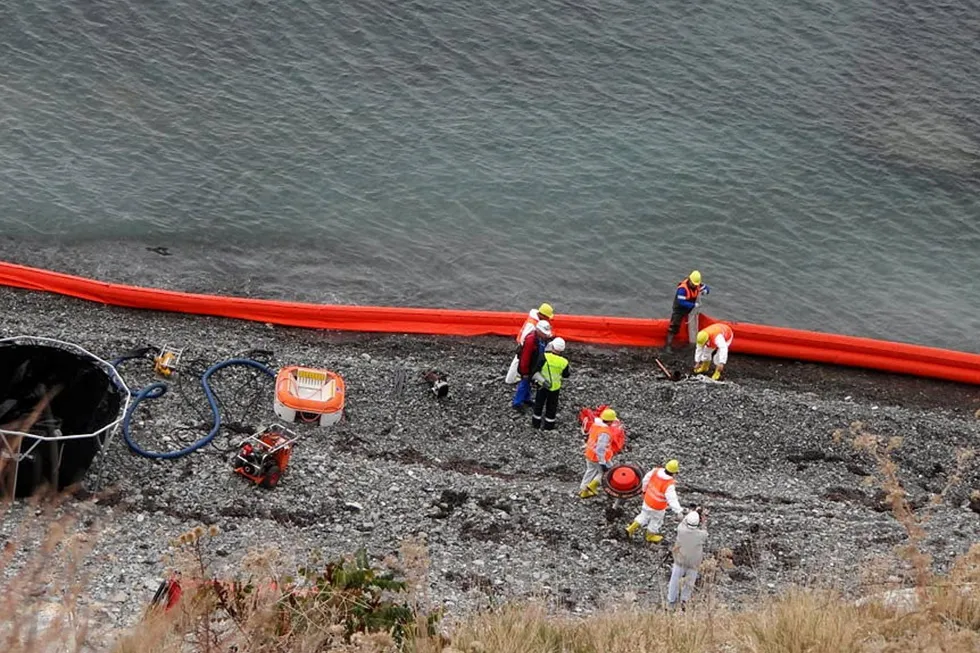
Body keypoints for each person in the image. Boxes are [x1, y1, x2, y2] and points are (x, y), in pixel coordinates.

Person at [625, 459, 684, 542]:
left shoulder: (655, 471)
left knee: (643, 515)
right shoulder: (669, 484)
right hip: (657, 507)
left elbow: (645, 480)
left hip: (648, 500)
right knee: (656, 521)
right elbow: (672, 499)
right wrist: (678, 511)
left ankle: (631, 528)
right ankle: (649, 536)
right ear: (674, 473)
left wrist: (644, 490)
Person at [578, 408, 626, 498]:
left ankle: (583, 489)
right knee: (607, 473)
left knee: (590, 471)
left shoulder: (595, 425)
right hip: (598, 458)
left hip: (589, 454)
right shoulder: (605, 433)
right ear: (610, 421)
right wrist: (602, 463)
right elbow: (600, 449)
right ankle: (591, 487)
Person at [668, 508, 708, 609]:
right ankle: (684, 601)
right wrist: (703, 521)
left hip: (680, 561)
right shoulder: (701, 535)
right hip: (693, 563)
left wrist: (691, 513)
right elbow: (705, 530)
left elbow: (683, 521)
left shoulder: (681, 530)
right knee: (689, 583)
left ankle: (671, 601)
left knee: (674, 581)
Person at [506, 303, 554, 384]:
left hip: (527, 344)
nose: (548, 319)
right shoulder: (532, 324)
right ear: (543, 315)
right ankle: (510, 379)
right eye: (547, 317)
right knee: (517, 361)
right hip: (524, 346)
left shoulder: (535, 319)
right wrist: (524, 347)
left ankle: (517, 375)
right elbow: (525, 337)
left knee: (521, 361)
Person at [512, 320, 552, 410]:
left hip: (534, 365)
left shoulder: (541, 339)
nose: (546, 335)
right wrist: (524, 371)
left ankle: (526, 399)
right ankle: (517, 403)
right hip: (528, 367)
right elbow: (525, 358)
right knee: (524, 383)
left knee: (529, 383)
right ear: (538, 330)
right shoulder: (531, 340)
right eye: (544, 333)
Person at [531, 337, 569, 430]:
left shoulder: (544, 356)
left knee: (539, 404)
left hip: (542, 385)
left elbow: (535, 370)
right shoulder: (564, 362)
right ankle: (549, 425)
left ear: (552, 346)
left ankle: (536, 424)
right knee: (552, 406)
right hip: (555, 388)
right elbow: (565, 375)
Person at [666, 271, 709, 351]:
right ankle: (668, 345)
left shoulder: (697, 285)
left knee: (694, 325)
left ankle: (693, 343)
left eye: (696, 284)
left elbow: (706, 288)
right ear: (689, 280)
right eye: (693, 284)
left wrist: (705, 291)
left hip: (691, 310)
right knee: (674, 326)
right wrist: (693, 305)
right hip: (679, 309)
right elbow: (681, 302)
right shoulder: (682, 289)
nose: (695, 286)